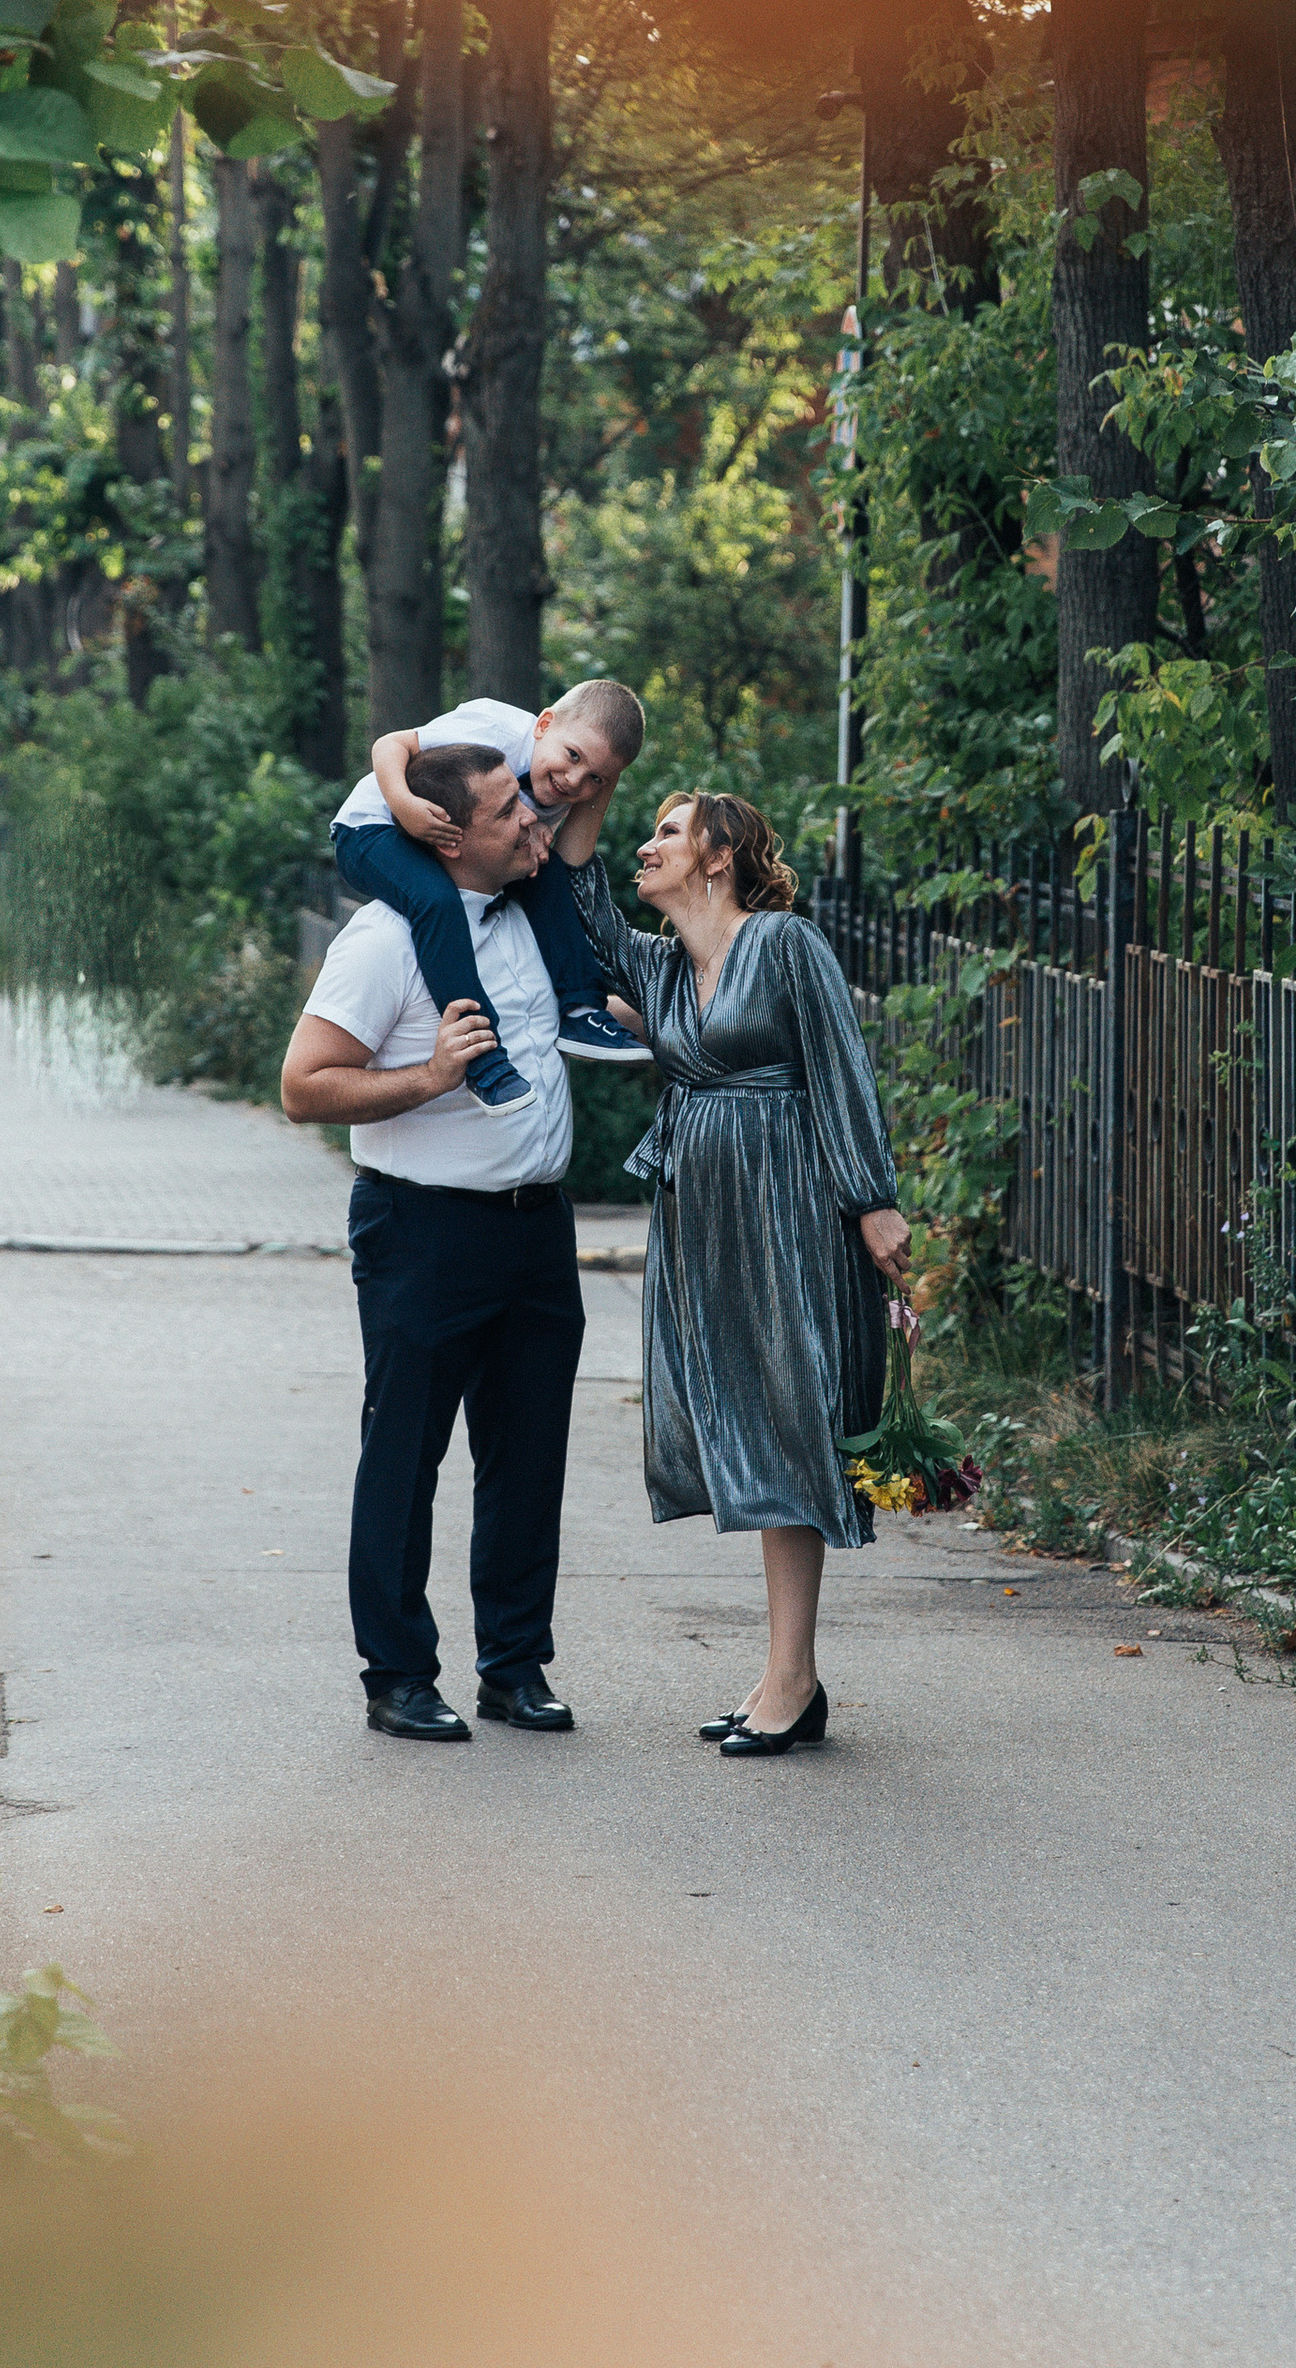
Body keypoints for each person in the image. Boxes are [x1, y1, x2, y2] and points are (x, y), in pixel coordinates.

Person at [563, 792, 909, 1757]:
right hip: (704, 1222)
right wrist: (584, 779)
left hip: (792, 1210)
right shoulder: (662, 965)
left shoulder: (786, 944)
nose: (647, 847)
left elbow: (841, 1068)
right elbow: (582, 893)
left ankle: (792, 1679)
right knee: (748, 1427)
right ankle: (783, 1676)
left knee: (789, 1421)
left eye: (668, 833)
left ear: (719, 856)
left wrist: (872, 1199)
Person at [280, 738, 587, 1746]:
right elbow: (303, 1087)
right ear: (447, 835)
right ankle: (400, 1675)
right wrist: (429, 1078)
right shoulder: (383, 940)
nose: (532, 819)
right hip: (423, 1231)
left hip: (537, 1230)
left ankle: (515, 1667)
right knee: (405, 1459)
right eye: (508, 811)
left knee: (528, 1458)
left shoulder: (532, 914)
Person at [328, 679, 648, 1120]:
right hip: (373, 829)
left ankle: (580, 1009)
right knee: (436, 901)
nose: (575, 780)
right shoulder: (495, 728)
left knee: (549, 875)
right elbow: (391, 744)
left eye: (596, 777)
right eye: (573, 756)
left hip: (439, 842)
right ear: (544, 725)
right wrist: (403, 804)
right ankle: (481, 1057)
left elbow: (571, 857)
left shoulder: (566, 787)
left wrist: (585, 796)